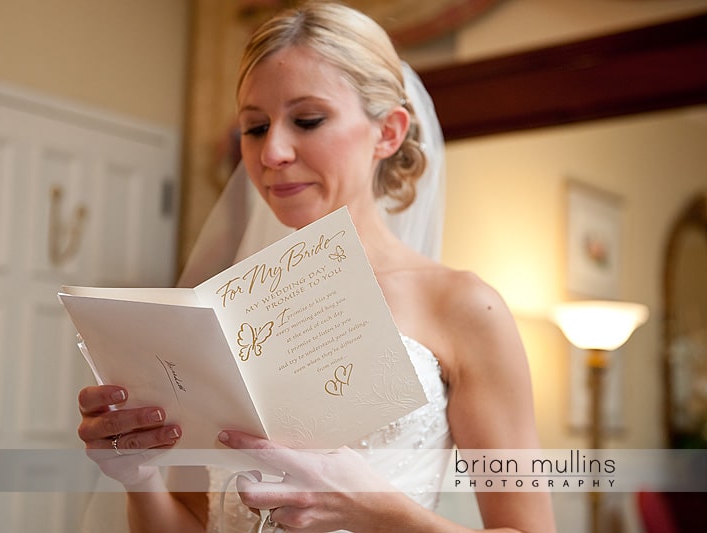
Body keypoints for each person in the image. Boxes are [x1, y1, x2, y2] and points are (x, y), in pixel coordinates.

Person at [76, 2, 556, 532]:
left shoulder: (463, 308)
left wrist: (371, 509)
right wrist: (138, 477)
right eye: (254, 128)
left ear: (389, 132)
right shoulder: (216, 313)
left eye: (307, 120)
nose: (273, 151)